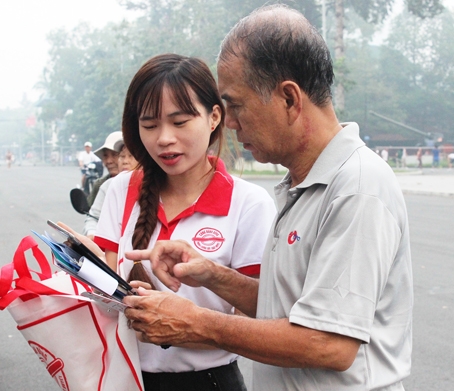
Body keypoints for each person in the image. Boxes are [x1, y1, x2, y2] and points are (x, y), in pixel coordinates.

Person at [122, 5, 413, 391]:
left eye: (236, 105)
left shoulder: (357, 188)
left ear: (290, 99)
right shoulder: (305, 187)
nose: (230, 123)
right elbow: (290, 308)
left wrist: (196, 322)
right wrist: (212, 275)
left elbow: (330, 344)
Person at [94, 54, 276, 390]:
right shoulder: (121, 189)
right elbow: (105, 287)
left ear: (214, 117)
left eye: (179, 123)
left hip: (209, 382)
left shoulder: (249, 204)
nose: (163, 138)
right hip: (124, 377)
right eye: (149, 125)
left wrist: (183, 324)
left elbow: (260, 319)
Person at [83, 140, 138, 240]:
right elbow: (93, 218)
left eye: (131, 156)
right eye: (122, 156)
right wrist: (92, 234)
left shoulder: (156, 187)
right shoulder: (107, 185)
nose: (125, 161)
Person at [86, 131, 122, 207]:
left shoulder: (143, 183)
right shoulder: (100, 185)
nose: (109, 161)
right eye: (105, 156)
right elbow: (92, 215)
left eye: (115, 155)